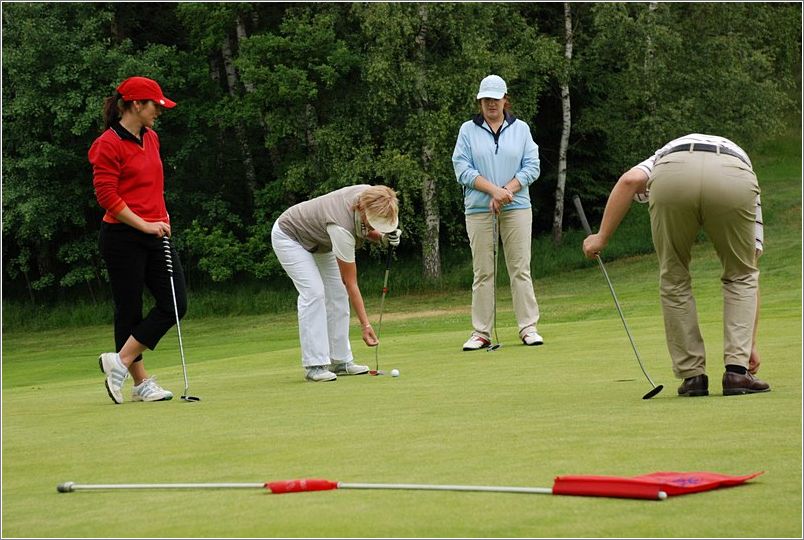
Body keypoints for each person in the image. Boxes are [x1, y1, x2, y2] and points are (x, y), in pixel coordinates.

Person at [581, 133, 770, 397]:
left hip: (672, 176)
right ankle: (737, 373)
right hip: (734, 177)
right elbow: (750, 267)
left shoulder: (665, 154)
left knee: (674, 277)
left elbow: (630, 180)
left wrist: (601, 237)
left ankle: (693, 377)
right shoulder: (739, 158)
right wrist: (748, 344)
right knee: (742, 274)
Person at [89, 76, 183, 404]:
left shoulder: (152, 138)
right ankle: (141, 383)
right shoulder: (107, 143)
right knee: (128, 309)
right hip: (122, 236)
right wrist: (143, 224)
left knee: (175, 303)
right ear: (135, 105)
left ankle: (119, 360)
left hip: (156, 231)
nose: (159, 110)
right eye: (154, 105)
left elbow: (154, 185)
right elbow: (106, 195)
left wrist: (162, 217)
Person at [271, 185, 401, 382]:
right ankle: (314, 365)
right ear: (363, 210)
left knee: (337, 292)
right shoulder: (341, 228)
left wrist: (383, 238)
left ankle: (340, 361)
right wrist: (365, 325)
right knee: (314, 292)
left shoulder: (372, 196)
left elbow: (364, 228)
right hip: (290, 236)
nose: (375, 226)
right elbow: (351, 282)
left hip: (320, 240)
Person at [452, 74, 543, 351]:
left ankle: (528, 328)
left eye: (496, 98)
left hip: (516, 206)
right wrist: (493, 191)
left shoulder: (521, 129)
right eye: (486, 99)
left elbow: (532, 167)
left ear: (505, 100)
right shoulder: (467, 130)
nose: (491, 104)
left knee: (520, 269)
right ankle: (481, 332)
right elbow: (462, 169)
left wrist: (506, 191)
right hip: (479, 209)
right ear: (480, 102)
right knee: (483, 272)